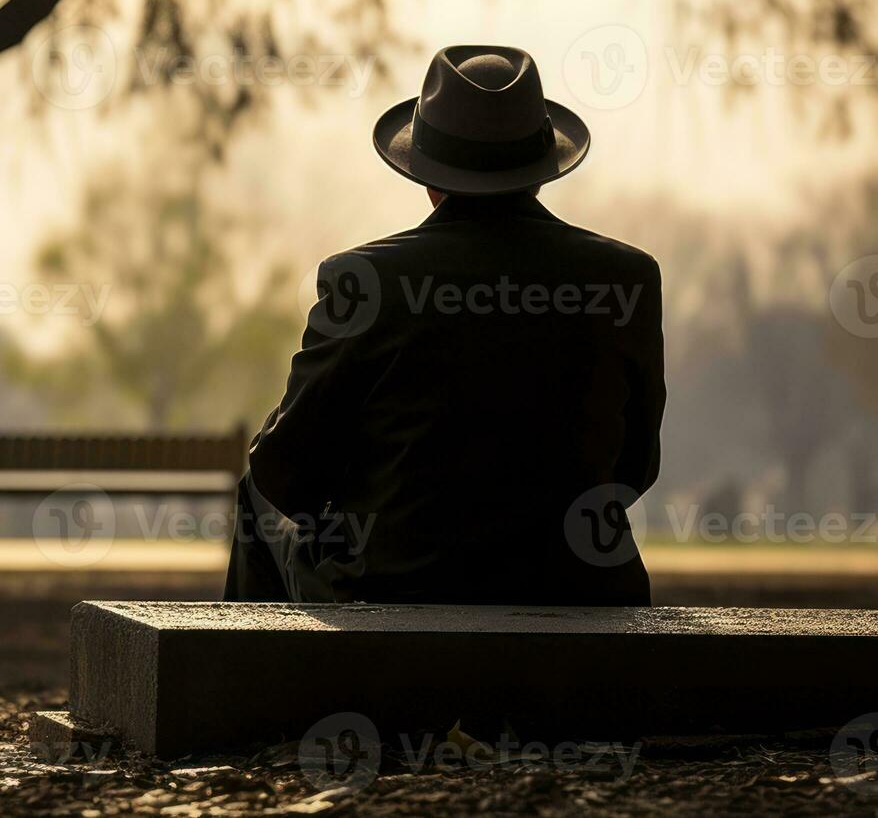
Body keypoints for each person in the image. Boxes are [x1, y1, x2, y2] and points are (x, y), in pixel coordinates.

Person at [224, 44, 665, 606]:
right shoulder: (627, 279)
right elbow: (635, 468)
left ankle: (249, 663)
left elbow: (284, 474)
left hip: (392, 590)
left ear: (427, 176)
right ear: (540, 173)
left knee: (255, 495)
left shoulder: (365, 281)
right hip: (584, 588)